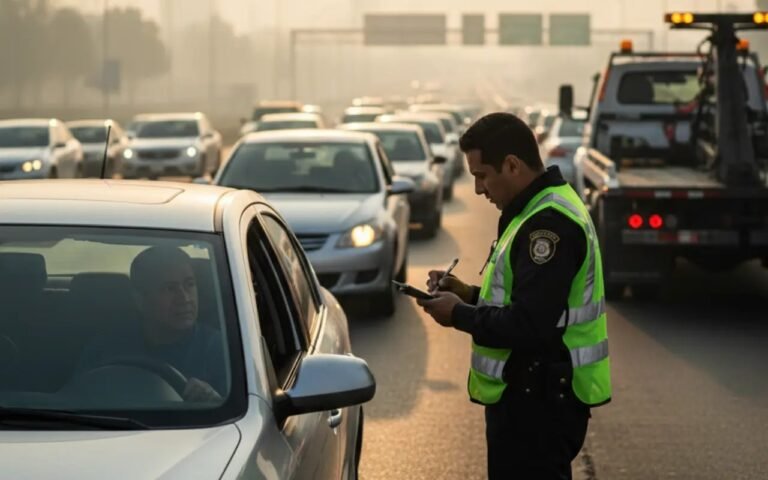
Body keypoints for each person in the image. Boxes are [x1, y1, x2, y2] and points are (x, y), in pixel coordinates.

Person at [416, 113, 611, 479]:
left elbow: (529, 324)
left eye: (482, 176)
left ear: (512, 165)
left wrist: (458, 314)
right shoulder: (537, 210)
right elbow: (528, 304)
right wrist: (466, 294)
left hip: (538, 407)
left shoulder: (547, 226)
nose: (478, 189)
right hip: (533, 397)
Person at [77, 246, 225, 402]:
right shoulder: (107, 347)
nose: (185, 298)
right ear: (140, 300)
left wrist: (214, 400)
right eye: (170, 288)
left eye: (189, 284)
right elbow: (76, 400)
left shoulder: (219, 350)